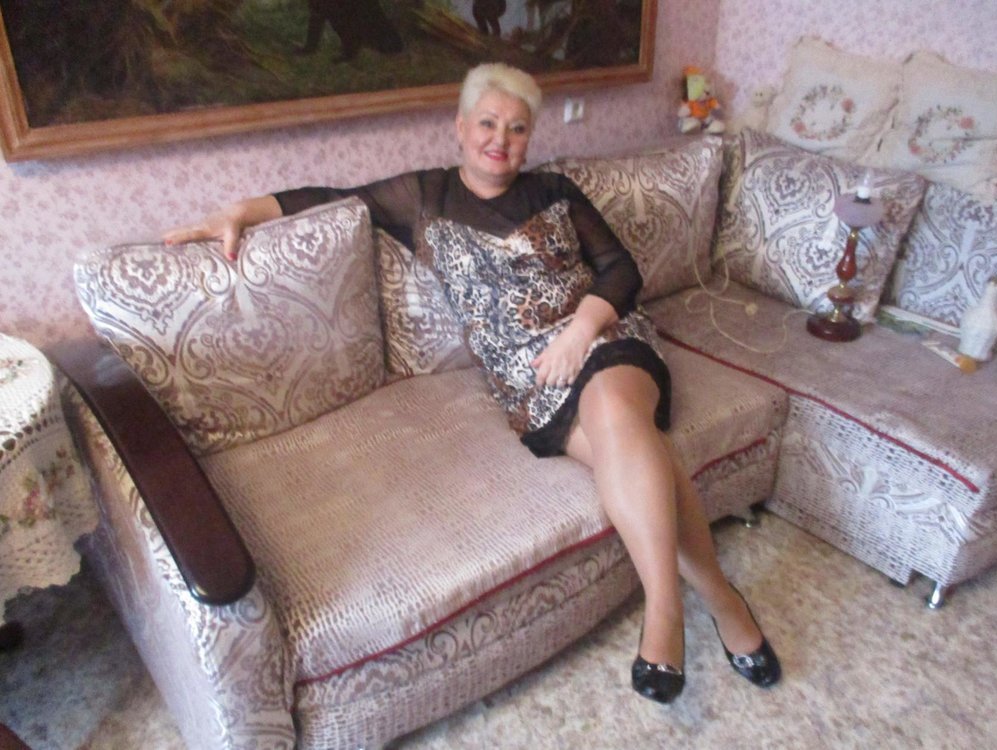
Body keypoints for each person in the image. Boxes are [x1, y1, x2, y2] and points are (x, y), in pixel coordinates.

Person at [164, 62, 781, 704]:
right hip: (528, 381)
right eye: (488, 123)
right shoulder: (423, 197)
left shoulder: (554, 190)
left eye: (517, 128)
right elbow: (327, 197)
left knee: (618, 416)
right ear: (460, 128)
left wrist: (580, 332)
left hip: (605, 337)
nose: (500, 140)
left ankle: (665, 611)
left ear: (530, 137)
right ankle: (721, 596)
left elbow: (620, 270)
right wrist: (240, 211)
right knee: (636, 456)